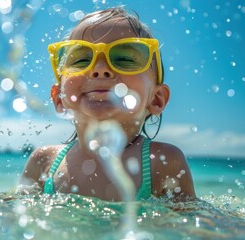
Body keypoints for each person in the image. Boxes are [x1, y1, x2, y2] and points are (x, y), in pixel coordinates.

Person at [19, 6, 196, 202]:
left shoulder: (163, 161)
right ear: (59, 98)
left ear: (156, 99)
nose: (100, 69)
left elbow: (192, 223)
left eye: (125, 58)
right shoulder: (44, 161)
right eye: (81, 59)